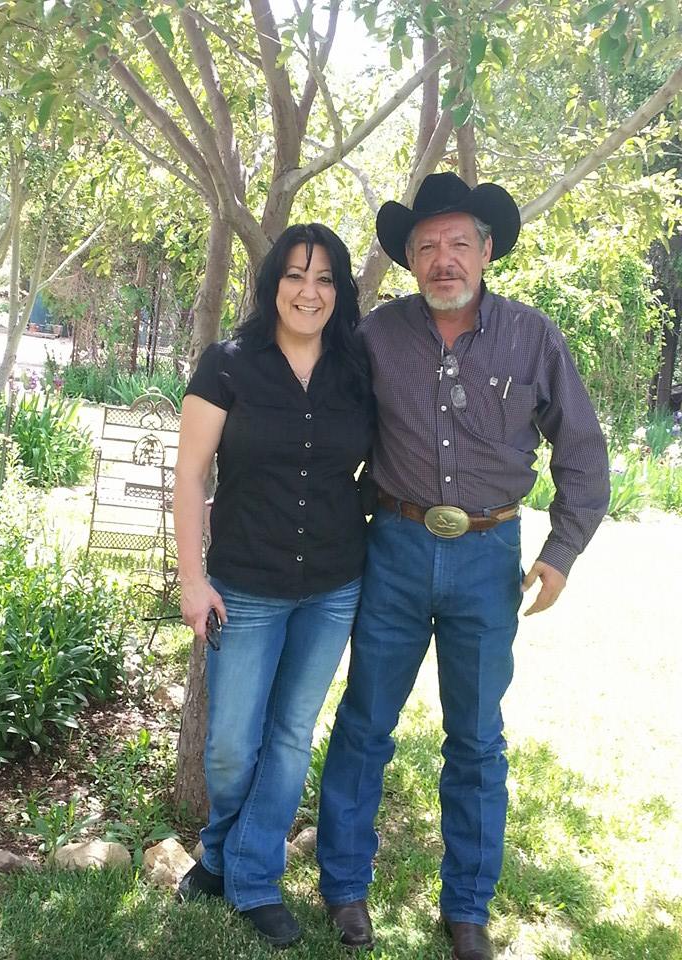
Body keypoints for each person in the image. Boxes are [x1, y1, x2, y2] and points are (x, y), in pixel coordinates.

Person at [315, 173, 610, 959]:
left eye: (456, 243)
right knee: (365, 722)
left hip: (489, 559)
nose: (442, 259)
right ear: (410, 260)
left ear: (485, 251)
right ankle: (343, 888)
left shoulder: (534, 338)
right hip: (395, 549)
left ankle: (468, 908)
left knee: (477, 739)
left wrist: (561, 552)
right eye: (426, 247)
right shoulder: (376, 336)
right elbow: (325, 420)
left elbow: (583, 451)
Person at [173, 223, 373, 947]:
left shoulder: (357, 371)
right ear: (272, 284)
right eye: (295, 275)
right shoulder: (228, 366)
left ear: (340, 291)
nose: (308, 292)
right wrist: (192, 580)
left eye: (324, 279)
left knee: (290, 736)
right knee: (231, 744)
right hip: (246, 585)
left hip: (333, 584)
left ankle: (249, 877)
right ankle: (221, 855)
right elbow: (190, 475)